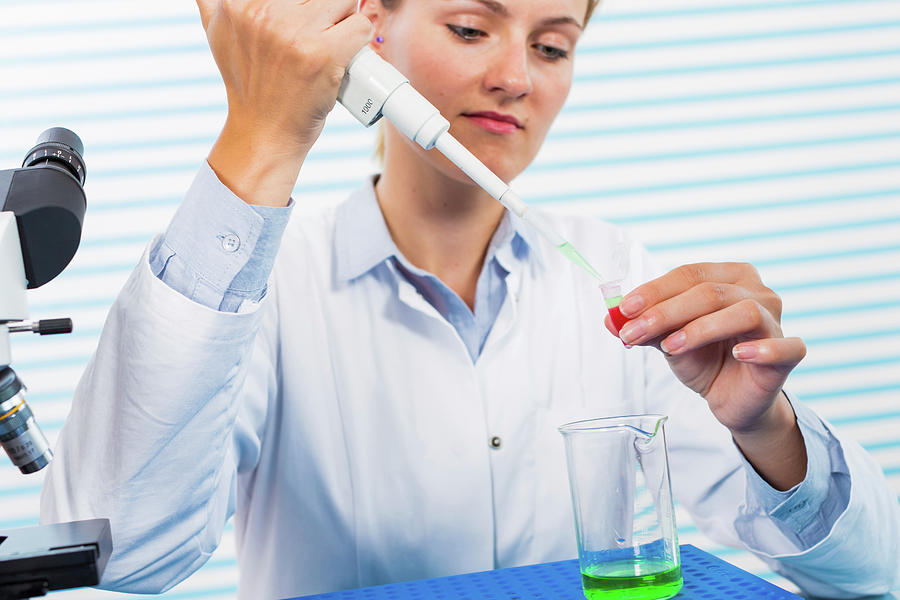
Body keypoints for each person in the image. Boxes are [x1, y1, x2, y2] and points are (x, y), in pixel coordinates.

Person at [41, 0, 899, 598]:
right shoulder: (262, 279)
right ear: (365, 34)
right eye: (469, 27)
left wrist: (767, 430)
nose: (517, 77)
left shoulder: (615, 272)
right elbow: (121, 549)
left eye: (554, 46)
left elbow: (869, 575)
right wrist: (259, 141)